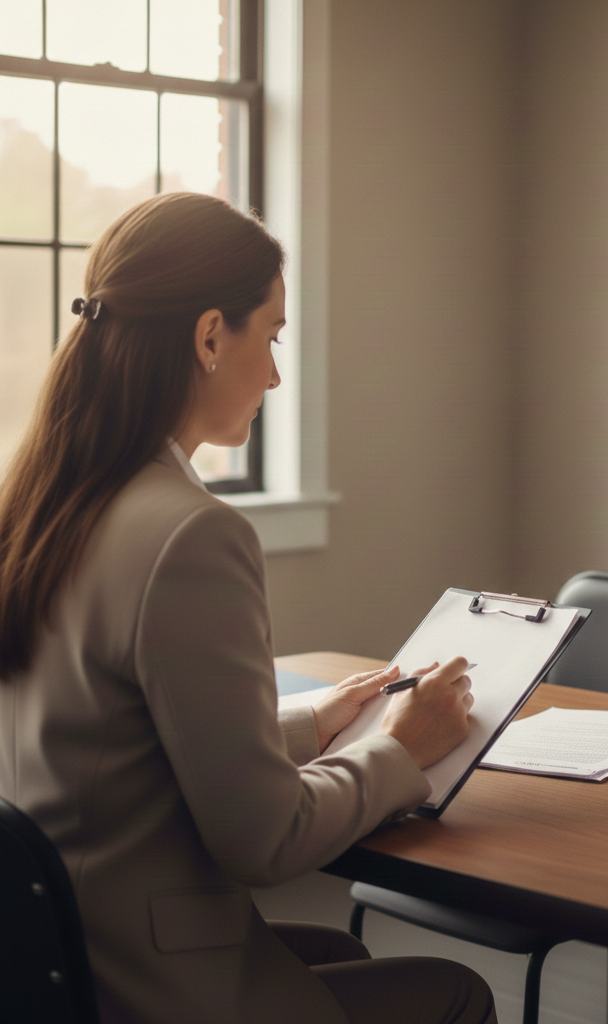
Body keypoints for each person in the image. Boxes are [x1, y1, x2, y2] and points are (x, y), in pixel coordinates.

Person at [0, 192, 497, 1024]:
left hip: (53, 958)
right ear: (208, 337)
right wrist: (402, 750)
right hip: (146, 987)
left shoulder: (36, 508)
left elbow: (117, 746)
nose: (272, 373)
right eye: (270, 336)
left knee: (337, 955)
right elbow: (266, 841)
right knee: (457, 993)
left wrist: (310, 725)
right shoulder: (192, 534)